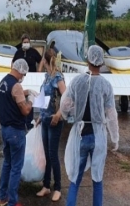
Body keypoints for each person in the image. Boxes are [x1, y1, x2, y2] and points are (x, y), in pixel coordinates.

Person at [60, 45, 119, 206]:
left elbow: (64, 105)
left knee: (75, 178)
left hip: (80, 134)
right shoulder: (106, 85)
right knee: (97, 178)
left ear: (87, 60)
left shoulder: (77, 81)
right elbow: (111, 113)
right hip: (98, 135)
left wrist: (71, 115)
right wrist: (115, 137)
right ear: (101, 62)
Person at [0, 59, 40, 206]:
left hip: (5, 130)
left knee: (7, 163)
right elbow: (25, 110)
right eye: (24, 74)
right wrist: (31, 101)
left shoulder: (3, 82)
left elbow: (12, 96)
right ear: (20, 71)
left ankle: (2, 197)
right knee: (16, 168)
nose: (23, 77)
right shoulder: (16, 85)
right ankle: (13, 202)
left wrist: (26, 91)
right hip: (16, 131)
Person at [35, 48, 67, 202]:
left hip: (55, 121)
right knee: (47, 155)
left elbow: (67, 98)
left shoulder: (57, 77)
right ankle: (46, 185)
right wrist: (40, 116)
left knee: (53, 156)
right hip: (45, 120)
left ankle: (58, 188)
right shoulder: (47, 76)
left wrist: (59, 115)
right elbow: (44, 97)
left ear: (45, 61)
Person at [12, 33, 43, 130]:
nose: (26, 43)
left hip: (32, 78)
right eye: (24, 42)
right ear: (21, 43)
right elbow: (13, 63)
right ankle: (21, 120)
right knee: (20, 98)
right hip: (21, 78)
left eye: (27, 42)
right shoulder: (18, 52)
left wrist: (39, 71)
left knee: (30, 98)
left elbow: (41, 60)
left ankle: (29, 122)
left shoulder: (33, 51)